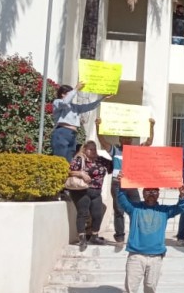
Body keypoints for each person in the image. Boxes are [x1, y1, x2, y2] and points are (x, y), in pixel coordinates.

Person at [116, 181, 184, 293]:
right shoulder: (134, 208)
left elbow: (180, 208)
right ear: (143, 193)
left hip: (156, 256)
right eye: (148, 191)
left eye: (154, 191)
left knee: (151, 288)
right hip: (136, 255)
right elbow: (122, 199)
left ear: (159, 193)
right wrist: (121, 184)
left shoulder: (164, 211)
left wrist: (182, 195)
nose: (151, 193)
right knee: (130, 289)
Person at [95, 116, 155, 244]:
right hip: (117, 184)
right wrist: (98, 126)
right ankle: (120, 236)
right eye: (124, 138)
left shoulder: (137, 150)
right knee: (119, 211)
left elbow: (149, 142)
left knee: (138, 209)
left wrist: (151, 126)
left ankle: (137, 235)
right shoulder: (115, 150)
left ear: (132, 139)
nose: (126, 140)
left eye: (129, 138)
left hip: (132, 184)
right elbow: (102, 141)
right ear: (120, 140)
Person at [67, 140, 113, 249]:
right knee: (83, 213)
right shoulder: (80, 159)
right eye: (90, 149)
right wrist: (81, 174)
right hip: (82, 190)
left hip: (96, 191)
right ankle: (82, 238)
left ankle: (94, 236)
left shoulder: (101, 160)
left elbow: (113, 166)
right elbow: (69, 171)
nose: (93, 151)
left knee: (97, 214)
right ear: (85, 149)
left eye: (94, 149)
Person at [52, 82, 106, 161]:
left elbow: (89, 107)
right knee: (60, 157)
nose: (72, 95)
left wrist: (102, 98)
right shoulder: (57, 102)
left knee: (69, 158)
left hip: (72, 134)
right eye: (69, 93)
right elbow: (65, 102)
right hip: (62, 132)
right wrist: (76, 89)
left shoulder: (74, 106)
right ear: (63, 94)